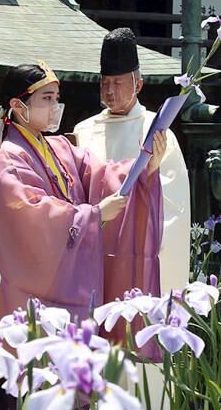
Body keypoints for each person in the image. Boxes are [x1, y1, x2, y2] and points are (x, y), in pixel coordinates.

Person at [0, 61, 167, 410]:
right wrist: (91, 216)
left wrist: (144, 168)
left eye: (57, 99)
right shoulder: (7, 159)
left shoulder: (58, 148)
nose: (56, 108)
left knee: (64, 398)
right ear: (18, 107)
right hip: (22, 302)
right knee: (23, 401)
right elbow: (31, 214)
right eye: (47, 100)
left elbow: (101, 174)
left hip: (58, 294)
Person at [73, 28, 192, 296]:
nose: (110, 91)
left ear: (138, 85)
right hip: (95, 246)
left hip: (136, 249)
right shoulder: (83, 130)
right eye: (105, 83)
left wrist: (151, 172)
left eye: (118, 83)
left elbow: (174, 205)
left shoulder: (157, 132)